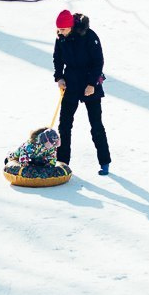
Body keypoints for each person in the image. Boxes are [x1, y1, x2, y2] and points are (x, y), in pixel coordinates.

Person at [53, 9, 112, 175]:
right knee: (64, 125)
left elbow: (98, 61)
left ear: (70, 26)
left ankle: (104, 161)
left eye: (62, 29)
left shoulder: (89, 36)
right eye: (58, 29)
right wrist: (59, 77)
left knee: (96, 125)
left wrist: (92, 84)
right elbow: (57, 58)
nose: (59, 32)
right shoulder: (61, 38)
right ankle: (63, 162)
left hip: (89, 83)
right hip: (70, 83)